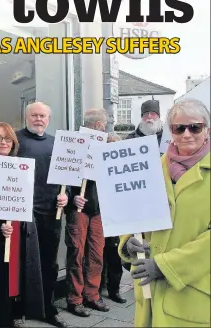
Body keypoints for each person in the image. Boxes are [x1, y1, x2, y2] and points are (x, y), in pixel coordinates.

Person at [119, 99, 210, 327]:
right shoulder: (149, 166)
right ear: (171, 131)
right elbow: (133, 211)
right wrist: (128, 240)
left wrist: (165, 265)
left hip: (192, 293)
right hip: (149, 294)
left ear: (207, 129)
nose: (187, 134)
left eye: (195, 127)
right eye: (179, 128)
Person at [0, 122, 45, 327]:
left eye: (7, 138)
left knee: (14, 279)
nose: (3, 142)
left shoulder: (20, 166)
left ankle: (11, 316)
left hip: (16, 230)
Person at [15, 102, 69, 328]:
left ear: (49, 118)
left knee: (49, 264)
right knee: (19, 263)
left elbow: (67, 175)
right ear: (26, 117)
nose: (39, 119)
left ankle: (49, 309)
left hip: (50, 213)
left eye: (43, 116)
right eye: (34, 115)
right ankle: (17, 311)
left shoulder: (57, 144)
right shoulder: (15, 141)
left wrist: (66, 196)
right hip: (22, 212)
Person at [65, 108, 110, 317]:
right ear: (98, 125)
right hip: (79, 208)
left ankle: (92, 295)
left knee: (96, 254)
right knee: (77, 253)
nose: (106, 126)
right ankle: (75, 299)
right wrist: (72, 195)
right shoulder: (74, 145)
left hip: (99, 209)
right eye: (104, 123)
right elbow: (63, 174)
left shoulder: (107, 146)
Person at [99, 133, 127, 305]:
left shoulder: (124, 167)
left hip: (117, 218)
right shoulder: (95, 166)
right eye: (108, 144)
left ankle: (114, 290)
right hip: (99, 217)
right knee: (99, 256)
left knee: (115, 256)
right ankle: (98, 289)